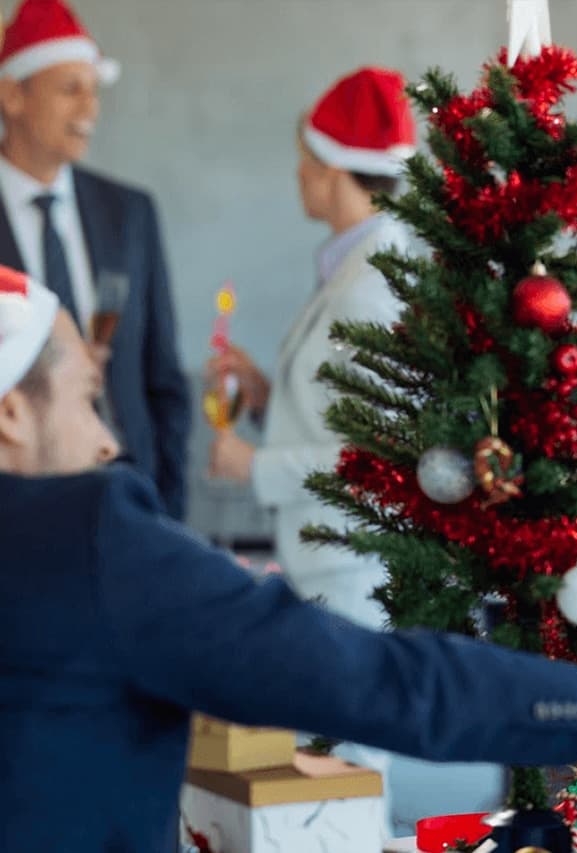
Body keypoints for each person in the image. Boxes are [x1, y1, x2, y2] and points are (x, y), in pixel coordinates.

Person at [0, 266, 577, 851]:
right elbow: (379, 680)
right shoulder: (85, 531)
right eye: (86, 397)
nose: (106, 439)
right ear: (10, 412)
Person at [207, 66, 415, 627]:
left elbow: (381, 459)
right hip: (334, 570)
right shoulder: (355, 266)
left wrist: (254, 465)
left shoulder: (374, 286)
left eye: (306, 158)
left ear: (332, 168)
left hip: (352, 579)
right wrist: (262, 398)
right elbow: (341, 414)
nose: (298, 174)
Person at [0, 0, 189, 518]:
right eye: (70, 89)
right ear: (13, 94)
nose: (91, 110)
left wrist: (170, 515)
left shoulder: (131, 212)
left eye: (93, 90)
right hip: (17, 510)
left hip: (129, 498)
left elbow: (164, 378)